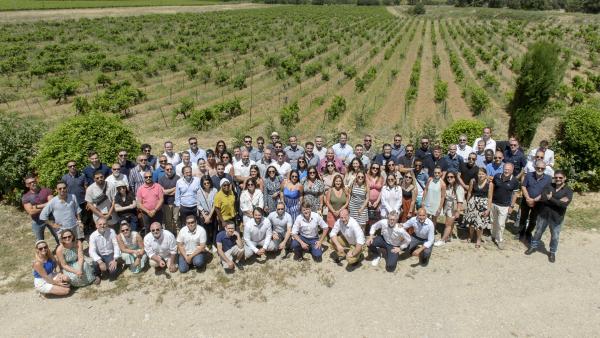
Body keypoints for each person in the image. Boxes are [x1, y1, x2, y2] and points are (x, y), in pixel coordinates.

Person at [525, 170, 573, 263]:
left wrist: (551, 198)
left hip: (557, 217)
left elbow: (563, 205)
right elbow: (543, 198)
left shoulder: (568, 191)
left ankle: (552, 252)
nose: (558, 179)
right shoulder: (549, 186)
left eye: (560, 177)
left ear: (565, 178)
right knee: (538, 232)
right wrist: (558, 200)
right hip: (543, 215)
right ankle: (533, 247)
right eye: (556, 177)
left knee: (555, 236)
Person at [518, 160, 552, 242]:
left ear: (545, 169)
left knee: (533, 219)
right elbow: (523, 186)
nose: (540, 169)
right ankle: (521, 232)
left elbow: (546, 192)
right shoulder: (529, 175)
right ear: (535, 167)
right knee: (523, 217)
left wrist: (534, 200)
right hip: (526, 200)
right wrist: (528, 198)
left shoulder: (548, 178)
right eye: (538, 167)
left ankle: (528, 233)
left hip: (538, 203)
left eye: (542, 168)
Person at [490, 162, 519, 250]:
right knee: (493, 221)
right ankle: (493, 236)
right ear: (503, 168)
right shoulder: (497, 176)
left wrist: (511, 206)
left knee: (501, 224)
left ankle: (500, 240)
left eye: (508, 169)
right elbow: (492, 188)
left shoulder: (515, 181)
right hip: (494, 203)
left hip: (505, 206)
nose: (506, 171)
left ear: (512, 170)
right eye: (505, 169)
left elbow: (515, 195)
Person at [22, 175, 59, 244]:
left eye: (33, 181)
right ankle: (43, 253)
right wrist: (46, 205)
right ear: (27, 185)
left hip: (50, 217)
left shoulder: (46, 190)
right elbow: (31, 212)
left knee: (58, 235)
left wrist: (36, 207)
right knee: (40, 241)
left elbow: (52, 204)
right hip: (37, 220)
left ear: (36, 181)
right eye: (30, 183)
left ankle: (62, 250)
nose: (32, 183)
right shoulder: (26, 197)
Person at [434, 172, 465, 246]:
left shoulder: (458, 187)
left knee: (448, 224)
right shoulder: (448, 186)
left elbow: (460, 201)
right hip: (448, 207)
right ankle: (448, 236)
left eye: (451, 177)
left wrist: (458, 211)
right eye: (448, 177)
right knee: (450, 224)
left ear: (455, 178)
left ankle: (443, 240)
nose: (449, 178)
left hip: (453, 208)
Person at [465, 168, 493, 248]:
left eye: (482, 174)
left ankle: (478, 239)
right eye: (479, 174)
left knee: (480, 224)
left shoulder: (489, 184)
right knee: (471, 223)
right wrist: (468, 203)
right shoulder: (473, 181)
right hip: (473, 203)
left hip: (483, 205)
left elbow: (490, 197)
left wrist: (488, 209)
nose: (480, 175)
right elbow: (469, 192)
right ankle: (470, 236)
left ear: (486, 175)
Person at [62, 160, 89, 236]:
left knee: (85, 219)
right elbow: (63, 190)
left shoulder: (82, 176)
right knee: (74, 220)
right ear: (68, 168)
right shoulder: (64, 178)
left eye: (74, 165)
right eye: (70, 166)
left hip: (82, 201)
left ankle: (85, 234)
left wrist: (88, 201)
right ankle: (77, 234)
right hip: (71, 202)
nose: (72, 167)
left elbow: (86, 187)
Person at [158, 163, 179, 233]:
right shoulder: (161, 180)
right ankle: (170, 235)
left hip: (176, 203)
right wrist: (174, 188)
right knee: (168, 221)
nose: (169, 170)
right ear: (164, 170)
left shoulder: (177, 178)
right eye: (167, 169)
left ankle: (178, 236)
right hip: (166, 203)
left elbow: (179, 190)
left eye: (171, 169)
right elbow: (162, 192)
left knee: (176, 220)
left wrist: (167, 192)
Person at [197, 176, 217, 247]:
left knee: (214, 228)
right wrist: (205, 216)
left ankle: (214, 243)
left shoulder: (214, 190)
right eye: (204, 183)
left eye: (208, 183)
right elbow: (198, 205)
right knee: (204, 229)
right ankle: (207, 243)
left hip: (212, 213)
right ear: (202, 184)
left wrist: (210, 216)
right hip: (204, 214)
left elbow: (215, 204)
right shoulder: (199, 192)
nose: (206, 184)